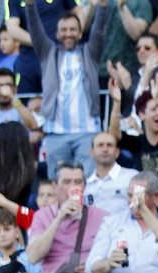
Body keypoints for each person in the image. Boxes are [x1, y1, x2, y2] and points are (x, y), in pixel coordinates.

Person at [25, 3, 110, 171]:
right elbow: (35, 29)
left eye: (72, 30)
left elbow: (99, 30)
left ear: (80, 33)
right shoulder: (47, 53)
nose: (68, 34)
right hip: (56, 133)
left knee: (87, 184)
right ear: (57, 34)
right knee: (58, 186)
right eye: (64, 30)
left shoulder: (90, 53)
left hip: (87, 131)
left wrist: (103, 6)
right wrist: (29, 5)